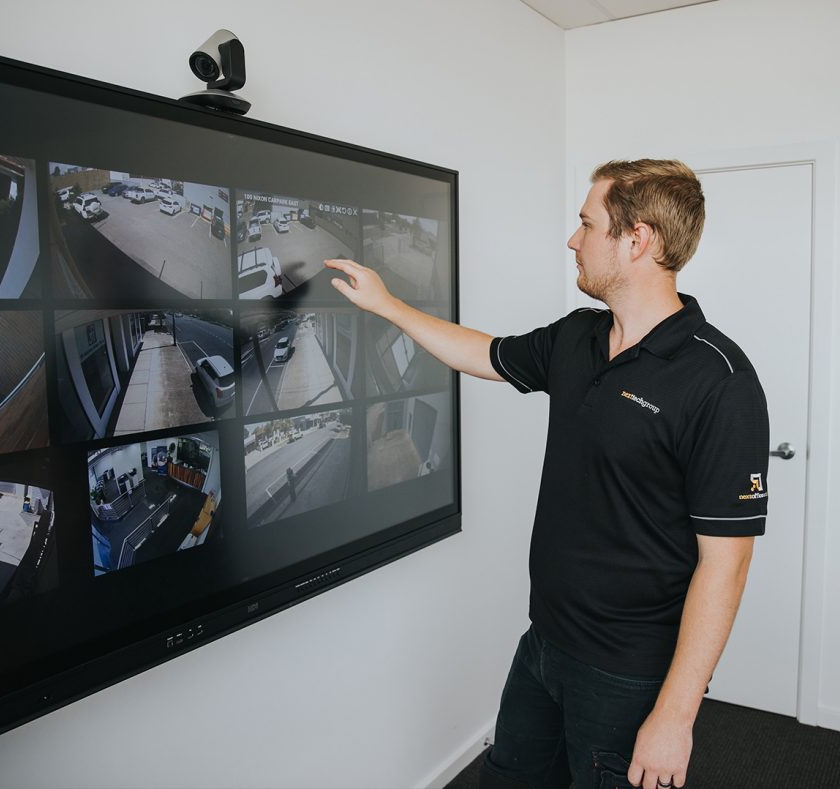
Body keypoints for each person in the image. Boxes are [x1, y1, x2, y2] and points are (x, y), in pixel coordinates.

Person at [324, 159, 768, 789]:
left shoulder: (719, 380)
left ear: (637, 240)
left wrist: (676, 712)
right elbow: (482, 354)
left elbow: (727, 564)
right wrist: (388, 305)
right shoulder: (576, 338)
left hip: (631, 670)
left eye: (587, 225)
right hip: (545, 642)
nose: (572, 240)